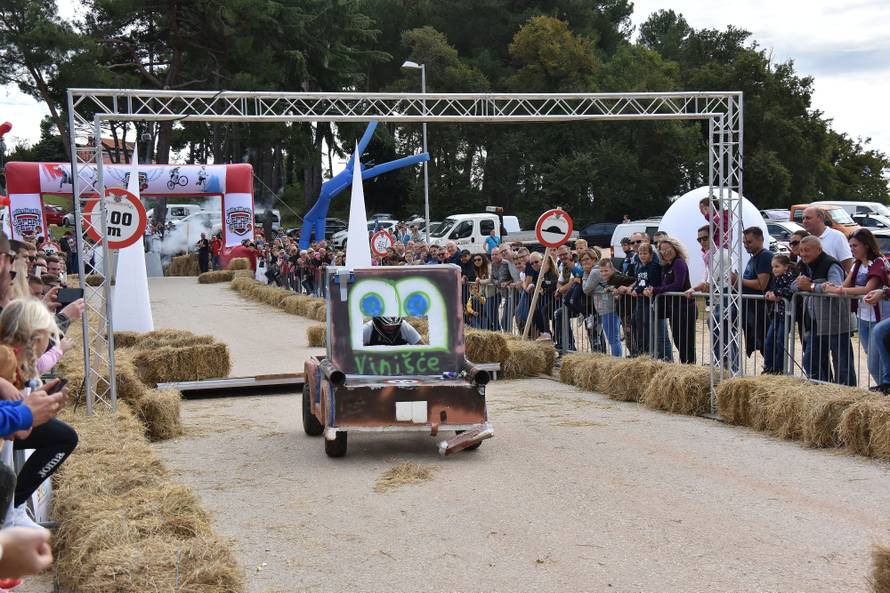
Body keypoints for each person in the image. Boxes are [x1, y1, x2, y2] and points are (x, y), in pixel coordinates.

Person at [0, 300, 78, 528]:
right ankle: (11, 509)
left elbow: (19, 432)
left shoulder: (14, 360)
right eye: (49, 336)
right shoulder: (6, 358)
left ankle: (13, 507)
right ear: (37, 336)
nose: (52, 343)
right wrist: (23, 414)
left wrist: (26, 411)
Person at [822, 228, 889, 385]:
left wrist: (838, 290)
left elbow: (868, 289)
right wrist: (835, 287)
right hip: (862, 316)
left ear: (866, 245)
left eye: (855, 246)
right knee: (873, 359)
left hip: (879, 317)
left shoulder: (878, 262)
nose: (851, 249)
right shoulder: (856, 264)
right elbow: (845, 285)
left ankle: (885, 391)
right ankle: (884, 391)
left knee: (874, 362)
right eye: (850, 246)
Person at [794, 236, 856, 386]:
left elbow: (834, 287)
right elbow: (795, 285)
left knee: (842, 363)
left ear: (819, 250)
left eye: (806, 250)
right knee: (810, 361)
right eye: (801, 251)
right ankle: (821, 390)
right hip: (816, 322)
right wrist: (805, 286)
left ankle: (848, 392)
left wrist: (811, 287)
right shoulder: (804, 265)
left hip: (835, 321)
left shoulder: (831, 264)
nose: (802, 254)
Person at [686, 225, 738, 372]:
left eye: (704, 238)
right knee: (718, 326)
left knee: (722, 328)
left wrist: (696, 288)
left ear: (713, 237)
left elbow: (710, 283)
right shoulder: (710, 255)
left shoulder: (720, 254)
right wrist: (697, 287)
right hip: (719, 295)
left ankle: (729, 366)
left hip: (728, 294)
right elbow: (708, 279)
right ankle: (723, 363)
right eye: (699, 239)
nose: (702, 242)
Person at [645, 237, 695, 363]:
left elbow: (678, 285)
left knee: (685, 342)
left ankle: (689, 367)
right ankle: (686, 366)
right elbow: (664, 285)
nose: (666, 252)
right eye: (663, 250)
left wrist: (656, 290)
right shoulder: (666, 266)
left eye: (668, 249)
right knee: (679, 341)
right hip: (674, 308)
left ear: (675, 248)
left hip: (685, 308)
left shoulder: (679, 262)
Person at [736, 227, 773, 360]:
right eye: (744, 243)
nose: (746, 245)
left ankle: (773, 370)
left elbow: (761, 284)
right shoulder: (753, 258)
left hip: (763, 309)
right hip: (752, 308)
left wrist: (739, 280)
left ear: (761, 239)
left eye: (749, 242)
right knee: (761, 343)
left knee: (767, 343)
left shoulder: (765, 256)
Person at [630, 242, 671, 360]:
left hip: (650, 302)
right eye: (640, 253)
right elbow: (639, 281)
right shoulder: (639, 266)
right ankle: (642, 351)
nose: (642, 256)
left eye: (645, 253)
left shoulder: (653, 267)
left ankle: (652, 353)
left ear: (650, 254)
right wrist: (634, 289)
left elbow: (652, 284)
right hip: (640, 302)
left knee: (649, 328)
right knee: (636, 323)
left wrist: (640, 291)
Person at [582, 254, 622, 356]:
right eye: (582, 260)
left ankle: (616, 362)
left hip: (608, 308)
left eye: (587, 259)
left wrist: (585, 275)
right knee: (614, 338)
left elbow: (586, 289)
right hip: (608, 307)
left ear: (594, 259)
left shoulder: (595, 272)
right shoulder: (599, 270)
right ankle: (617, 361)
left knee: (613, 339)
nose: (584, 263)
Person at [763, 255, 797, 373]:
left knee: (780, 342)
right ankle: (768, 367)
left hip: (785, 316)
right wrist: (769, 293)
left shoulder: (790, 278)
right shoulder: (776, 278)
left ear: (786, 267)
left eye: (777, 266)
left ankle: (778, 369)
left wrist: (777, 293)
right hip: (776, 315)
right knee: (769, 341)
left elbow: (790, 290)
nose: (774, 269)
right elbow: (773, 289)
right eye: (773, 267)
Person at [800, 207, 853, 272]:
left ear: (820, 218)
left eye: (808, 218)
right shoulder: (805, 239)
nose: (804, 221)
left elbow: (848, 266)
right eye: (803, 218)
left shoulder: (837, 237)